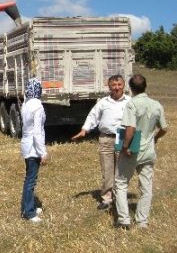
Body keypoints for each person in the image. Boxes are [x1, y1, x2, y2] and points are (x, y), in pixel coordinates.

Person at [114, 74, 167, 229]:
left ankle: (124, 219)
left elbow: (130, 128)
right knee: (146, 187)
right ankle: (142, 221)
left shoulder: (132, 104)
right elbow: (164, 128)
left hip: (133, 151)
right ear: (145, 86)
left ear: (130, 88)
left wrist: (125, 147)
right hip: (149, 151)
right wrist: (155, 138)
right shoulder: (156, 104)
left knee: (121, 183)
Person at [71, 74, 130, 210]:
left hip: (122, 138)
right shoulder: (103, 102)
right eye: (113, 85)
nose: (116, 88)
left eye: (119, 85)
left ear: (123, 85)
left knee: (121, 170)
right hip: (105, 138)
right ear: (109, 86)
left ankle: (120, 198)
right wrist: (84, 130)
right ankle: (107, 198)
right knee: (107, 169)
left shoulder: (130, 102)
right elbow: (93, 116)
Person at [20, 77, 48, 223]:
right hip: (33, 147)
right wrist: (43, 152)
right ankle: (29, 212)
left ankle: (28, 206)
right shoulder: (38, 106)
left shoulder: (26, 103)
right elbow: (37, 131)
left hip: (26, 144)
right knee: (31, 180)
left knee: (29, 178)